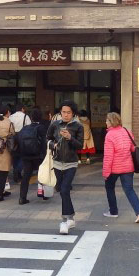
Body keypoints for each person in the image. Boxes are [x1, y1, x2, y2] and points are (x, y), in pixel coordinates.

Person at [46, 100, 84, 235]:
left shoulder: (78, 126)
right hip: (56, 162)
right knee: (61, 190)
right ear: (60, 112)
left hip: (71, 163)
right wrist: (52, 145)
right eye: (63, 112)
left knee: (64, 189)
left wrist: (69, 138)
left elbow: (80, 146)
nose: (66, 115)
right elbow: (47, 138)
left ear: (73, 113)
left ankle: (64, 220)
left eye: (68, 112)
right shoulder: (55, 124)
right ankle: (71, 218)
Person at [101, 112, 139, 223]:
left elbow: (108, 156)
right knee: (129, 190)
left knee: (109, 187)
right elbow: (132, 149)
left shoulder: (109, 135)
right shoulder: (126, 132)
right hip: (128, 167)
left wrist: (106, 172)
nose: (105, 122)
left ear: (111, 122)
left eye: (107, 120)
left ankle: (113, 212)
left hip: (114, 168)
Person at [17, 107, 47, 204]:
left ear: (31, 117)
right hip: (38, 156)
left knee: (26, 177)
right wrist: (45, 154)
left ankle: (22, 198)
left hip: (26, 156)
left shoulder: (25, 128)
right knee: (42, 175)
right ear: (40, 117)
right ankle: (44, 194)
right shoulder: (41, 128)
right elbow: (43, 143)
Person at [9, 104, 30, 182]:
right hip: (23, 137)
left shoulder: (11, 117)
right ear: (22, 109)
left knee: (15, 155)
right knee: (22, 155)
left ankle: (16, 171)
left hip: (13, 137)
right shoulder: (25, 117)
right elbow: (29, 127)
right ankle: (18, 170)